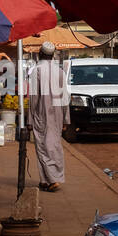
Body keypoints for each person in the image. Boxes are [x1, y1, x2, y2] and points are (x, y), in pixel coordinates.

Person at [28, 41, 68, 191]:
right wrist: (66, 119)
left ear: (40, 54)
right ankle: (45, 180)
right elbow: (65, 97)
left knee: (44, 147)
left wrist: (30, 119)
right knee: (54, 146)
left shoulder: (36, 71)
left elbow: (33, 98)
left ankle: (52, 180)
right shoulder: (60, 72)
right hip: (57, 114)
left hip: (41, 114)